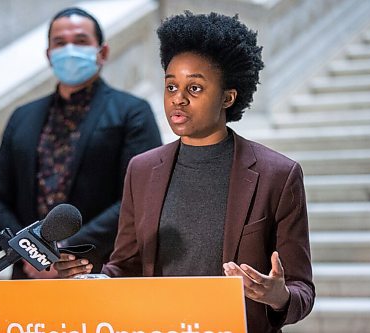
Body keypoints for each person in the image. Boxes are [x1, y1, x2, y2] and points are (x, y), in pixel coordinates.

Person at [54, 11, 314, 332]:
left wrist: (279, 296)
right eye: (171, 86)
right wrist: (96, 279)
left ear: (227, 98)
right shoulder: (142, 169)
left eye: (194, 88)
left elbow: (302, 291)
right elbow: (125, 266)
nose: (178, 98)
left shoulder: (279, 174)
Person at [0, 7, 162, 279]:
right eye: (59, 43)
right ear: (49, 55)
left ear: (102, 53)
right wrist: (28, 253)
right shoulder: (23, 117)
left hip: (99, 270)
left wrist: (66, 253)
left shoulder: (132, 112)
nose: (69, 49)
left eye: (80, 41)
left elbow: (140, 197)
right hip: (28, 275)